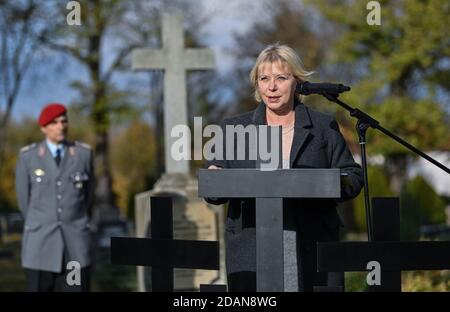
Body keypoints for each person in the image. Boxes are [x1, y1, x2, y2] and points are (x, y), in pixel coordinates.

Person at [206, 44, 363, 292]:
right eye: (264, 78)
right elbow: (213, 191)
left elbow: (353, 176)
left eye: (281, 77)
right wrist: (215, 176)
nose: (272, 87)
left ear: (297, 82)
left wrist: (331, 183)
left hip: (312, 242)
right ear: (256, 84)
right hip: (253, 245)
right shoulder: (234, 129)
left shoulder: (323, 127)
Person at [15, 103, 94, 292]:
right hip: (40, 246)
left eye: (64, 121)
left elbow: (88, 197)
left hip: (74, 248)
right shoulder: (29, 157)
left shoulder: (83, 154)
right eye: (54, 122)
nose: (61, 126)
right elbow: (24, 201)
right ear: (43, 128)